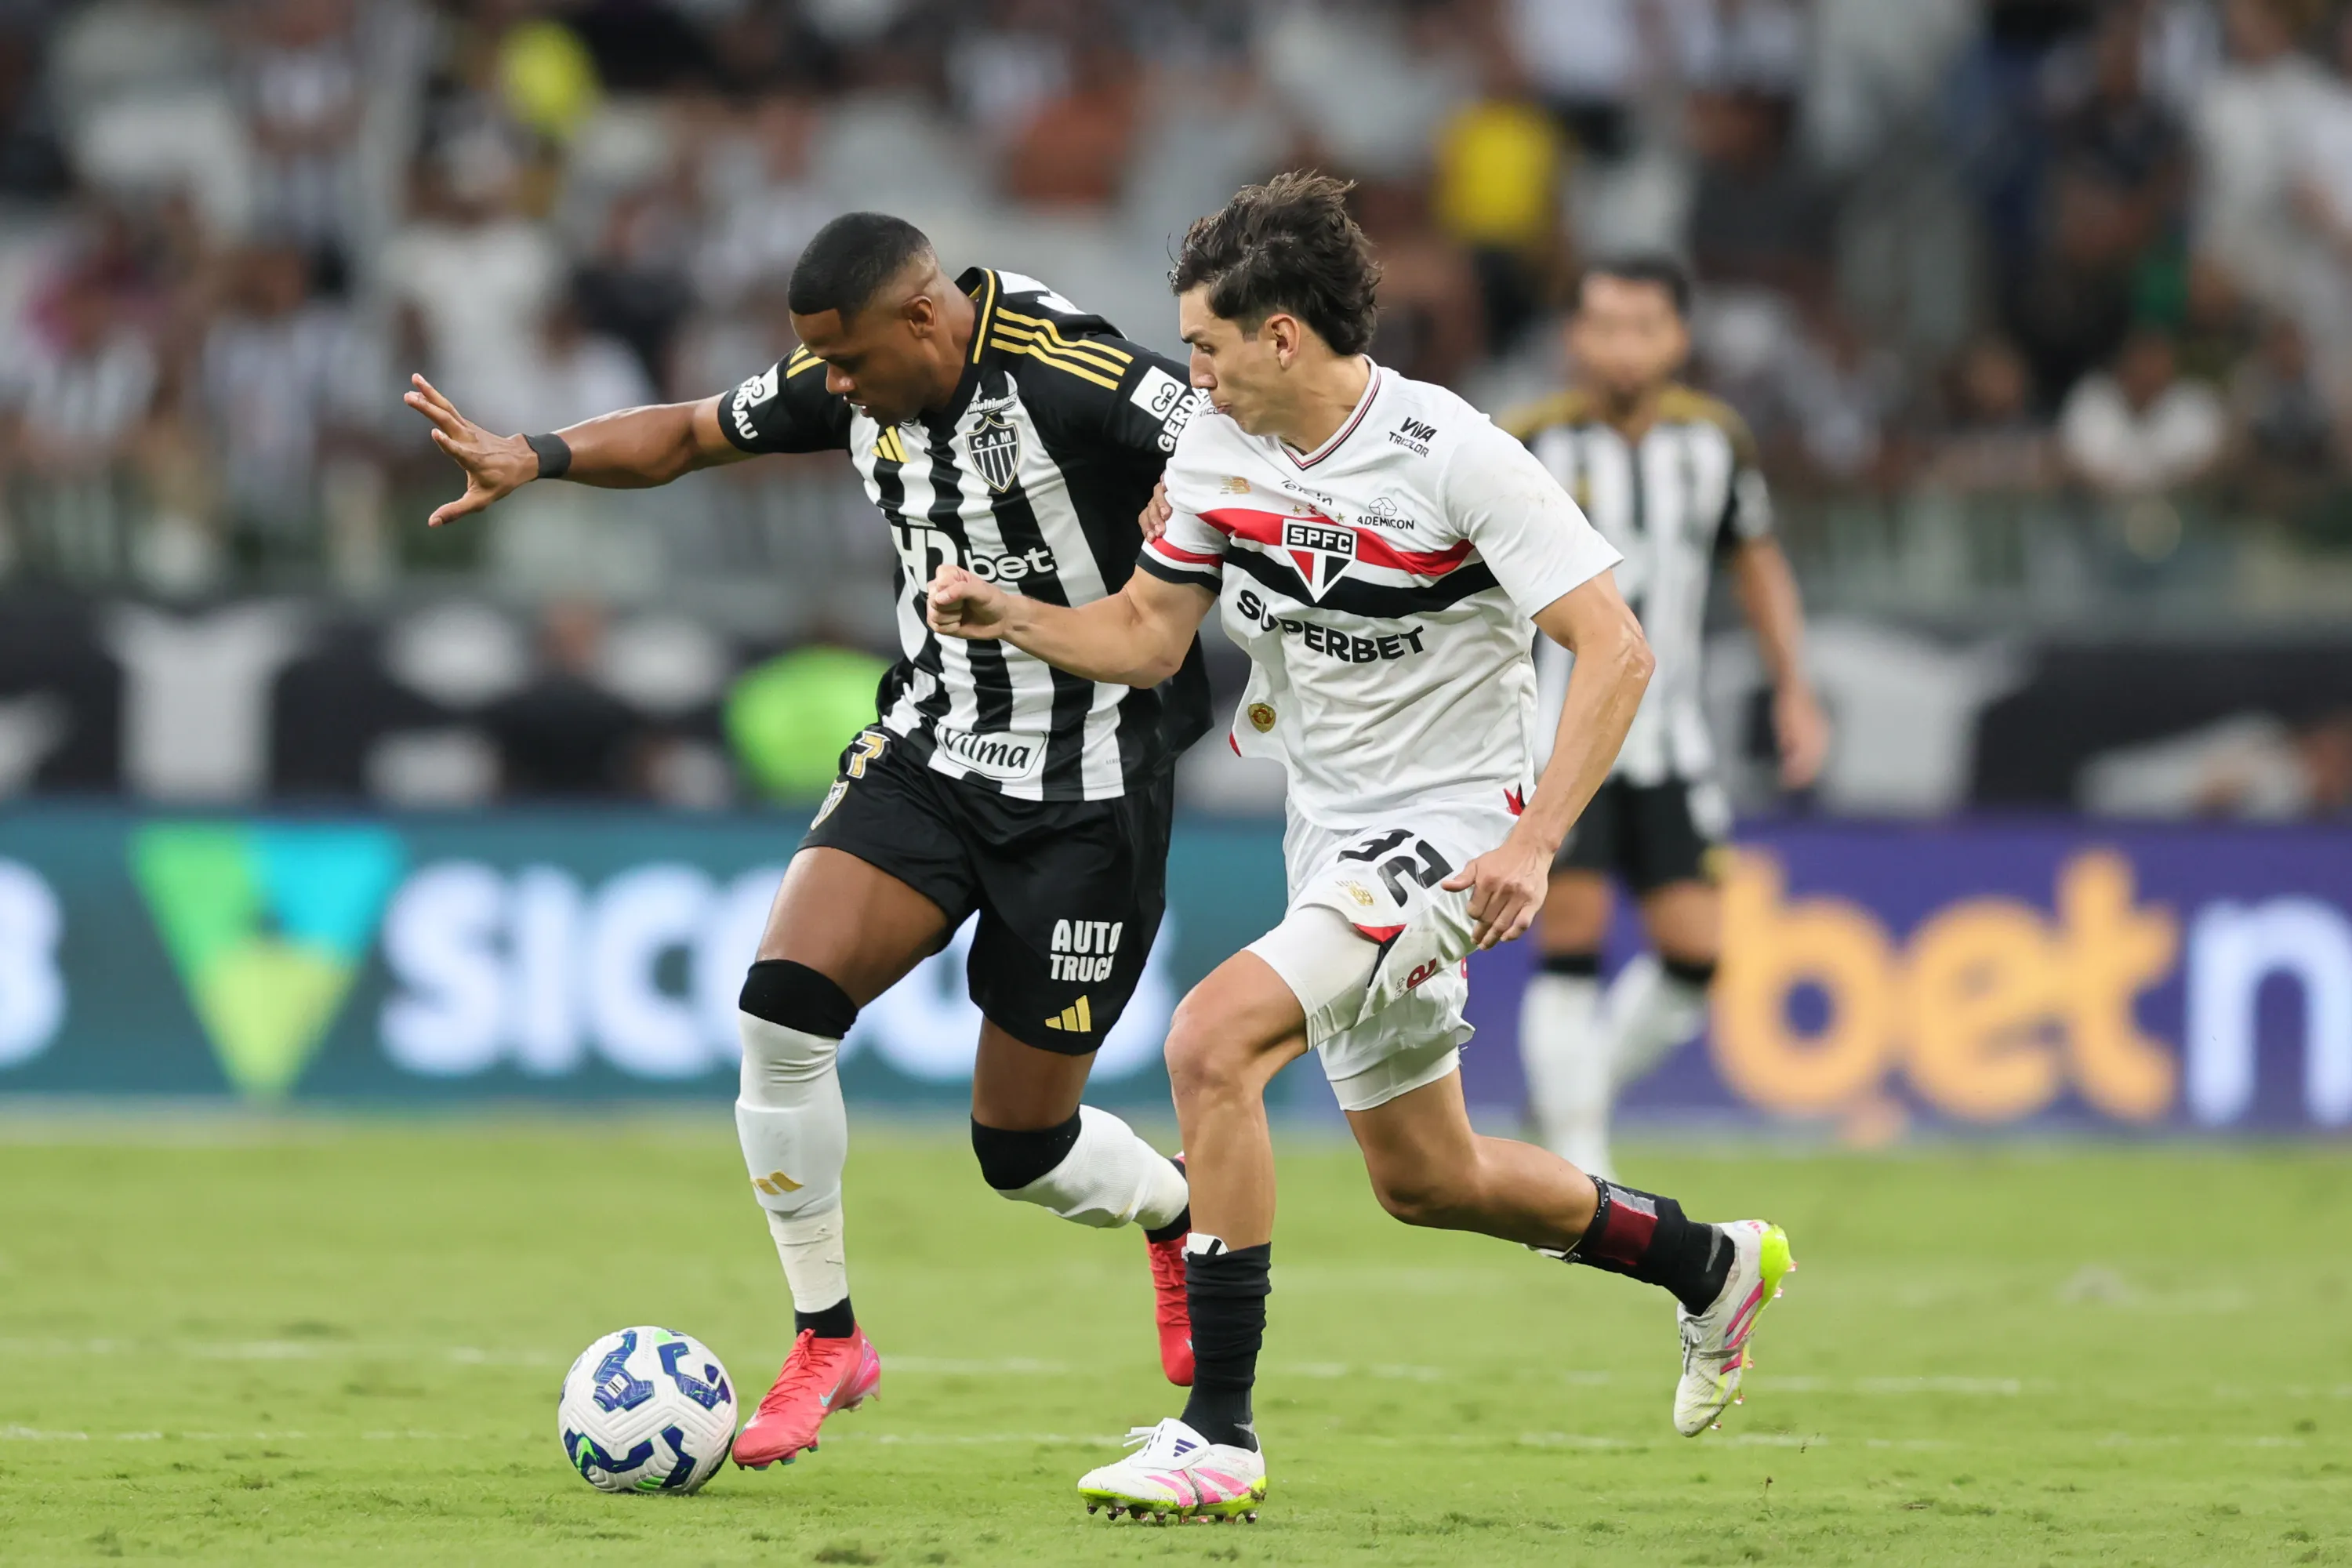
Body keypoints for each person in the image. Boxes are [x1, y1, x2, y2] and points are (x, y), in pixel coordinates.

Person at [927, 174, 1795, 1523]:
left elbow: (1616, 650)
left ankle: (1217, 1433)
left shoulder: (1456, 454)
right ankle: (1708, 1266)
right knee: (1428, 1180)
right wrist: (1013, 615)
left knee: (1213, 1043)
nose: (1191, 374)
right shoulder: (1216, 456)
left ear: (1281, 336)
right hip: (1327, 827)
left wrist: (1534, 843)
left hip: (1449, 830)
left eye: (1205, 345)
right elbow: (1149, 636)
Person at [403, 212, 1212, 1471]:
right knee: (780, 1010)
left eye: (848, 362)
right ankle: (827, 1337)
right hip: (932, 755)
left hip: (1092, 794)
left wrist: (1214, 503)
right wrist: (537, 455)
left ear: (923, 319)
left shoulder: (1076, 375)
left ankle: (1172, 1206)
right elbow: (687, 434)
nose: (831, 388)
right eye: (820, 364)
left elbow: (1248, 449)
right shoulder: (851, 376)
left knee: (1022, 1150)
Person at [1504, 256, 1828, 1181]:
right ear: (1575, 336)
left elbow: (1756, 562)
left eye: (1644, 326)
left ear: (1679, 338)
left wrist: (1794, 686)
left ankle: (1574, 1099)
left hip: (1673, 739)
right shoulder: (1526, 442)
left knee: (1695, 953)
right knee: (1572, 940)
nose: (1624, 347)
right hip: (1560, 735)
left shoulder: (1714, 442)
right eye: (1605, 325)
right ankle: (1581, 1167)